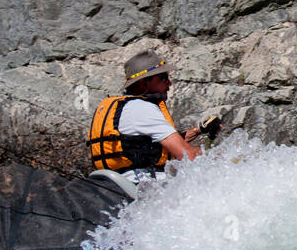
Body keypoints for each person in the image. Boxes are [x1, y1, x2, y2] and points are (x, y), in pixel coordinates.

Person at [88, 51, 216, 182]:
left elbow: (154, 145)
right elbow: (188, 155)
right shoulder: (142, 108)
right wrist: (227, 156)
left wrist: (199, 131)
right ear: (144, 83)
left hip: (122, 184)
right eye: (163, 78)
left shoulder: (124, 107)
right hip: (145, 190)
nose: (169, 84)